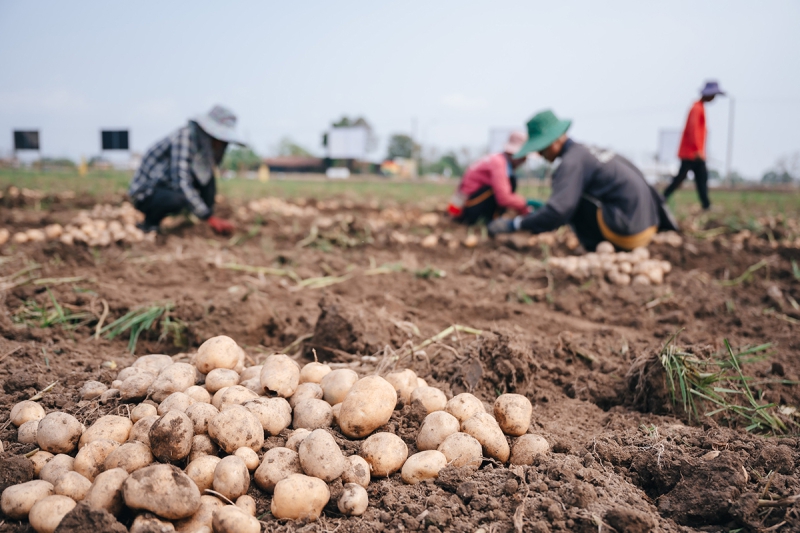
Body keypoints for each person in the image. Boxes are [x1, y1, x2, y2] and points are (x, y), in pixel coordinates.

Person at [488, 110, 677, 251]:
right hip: (649, 225)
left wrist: (516, 224)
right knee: (571, 195)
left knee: (573, 200)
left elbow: (558, 211)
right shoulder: (592, 152)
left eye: (542, 148)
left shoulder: (571, 162)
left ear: (555, 141)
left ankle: (593, 247)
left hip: (627, 233)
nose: (540, 154)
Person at [129, 105, 242, 234]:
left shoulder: (202, 148)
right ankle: (150, 224)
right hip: (146, 193)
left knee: (208, 179)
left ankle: (201, 222)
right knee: (177, 199)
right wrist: (208, 216)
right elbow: (181, 182)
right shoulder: (185, 137)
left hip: (166, 187)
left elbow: (206, 175)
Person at [663, 81, 726, 209]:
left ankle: (706, 205)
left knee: (700, 178)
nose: (714, 98)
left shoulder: (700, 107)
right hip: (691, 153)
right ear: (708, 94)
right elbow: (693, 130)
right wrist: (697, 149)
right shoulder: (696, 108)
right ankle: (661, 198)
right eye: (713, 95)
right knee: (683, 178)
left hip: (694, 152)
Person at [448, 131, 534, 225]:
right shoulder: (498, 163)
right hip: (467, 208)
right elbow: (503, 198)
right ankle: (490, 220)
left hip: (463, 205)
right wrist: (525, 204)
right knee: (509, 184)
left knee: (509, 183)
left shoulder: (496, 159)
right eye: (523, 157)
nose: (524, 160)